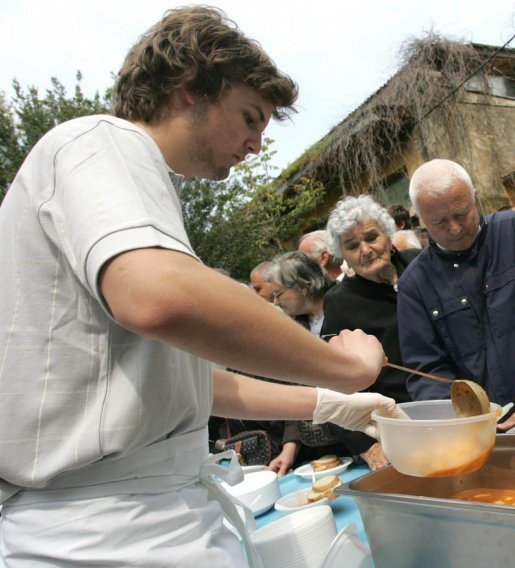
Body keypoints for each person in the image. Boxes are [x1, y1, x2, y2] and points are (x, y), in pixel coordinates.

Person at [0, 8, 398, 567]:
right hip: (110, 528)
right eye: (249, 116)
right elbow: (160, 298)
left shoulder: (134, 188)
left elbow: (193, 383)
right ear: (191, 89)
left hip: (138, 514)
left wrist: (333, 403)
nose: (256, 143)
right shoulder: (100, 141)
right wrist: (347, 368)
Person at [397, 159, 515, 431]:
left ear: (474, 197)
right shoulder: (414, 285)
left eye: (462, 213)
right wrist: (463, 423)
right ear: (420, 219)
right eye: (439, 222)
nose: (454, 228)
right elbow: (426, 370)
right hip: (476, 431)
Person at [322, 195, 416, 470]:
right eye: (352, 246)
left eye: (371, 237)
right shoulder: (340, 302)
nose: (365, 250)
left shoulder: (419, 264)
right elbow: (333, 381)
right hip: (402, 424)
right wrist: (366, 445)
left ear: (388, 234)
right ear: (343, 255)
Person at [263, 251, 350, 476]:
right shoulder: (294, 329)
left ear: (303, 286)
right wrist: (289, 448)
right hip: (323, 449)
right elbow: (296, 390)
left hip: (361, 435)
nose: (275, 301)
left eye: (279, 293)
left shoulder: (346, 306)